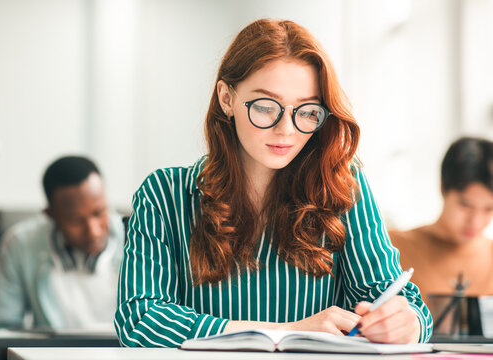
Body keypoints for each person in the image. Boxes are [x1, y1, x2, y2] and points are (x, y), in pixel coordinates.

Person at [114, 19, 432, 347]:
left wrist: (406, 323)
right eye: (266, 107)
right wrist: (284, 332)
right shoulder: (164, 194)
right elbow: (140, 320)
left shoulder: (341, 185)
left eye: (307, 111)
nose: (287, 130)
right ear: (226, 98)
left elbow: (403, 304)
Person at [0, 156, 125, 330]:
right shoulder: (21, 245)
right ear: (51, 215)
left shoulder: (140, 239)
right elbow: (1, 329)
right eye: (76, 220)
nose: (93, 231)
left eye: (99, 212)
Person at [390, 137, 493, 300]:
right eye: (465, 205)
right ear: (443, 187)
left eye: (489, 209)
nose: (476, 221)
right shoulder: (392, 247)